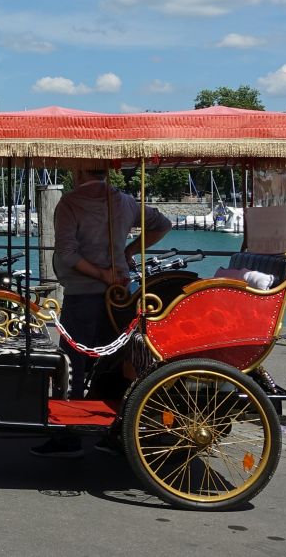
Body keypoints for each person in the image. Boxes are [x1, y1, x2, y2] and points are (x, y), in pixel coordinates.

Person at [31, 168, 171, 459]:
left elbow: (67, 253)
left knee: (71, 364)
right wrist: (129, 252)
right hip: (120, 297)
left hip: (84, 294)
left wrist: (100, 274)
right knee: (116, 362)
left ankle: (67, 434)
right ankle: (119, 431)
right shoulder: (124, 201)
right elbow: (162, 224)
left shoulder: (69, 204)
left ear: (78, 172)